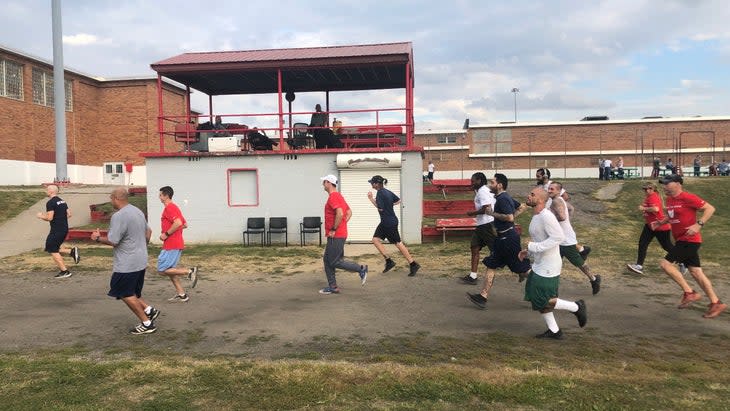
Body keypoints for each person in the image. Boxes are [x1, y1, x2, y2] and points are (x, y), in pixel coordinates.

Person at [652, 174, 726, 319]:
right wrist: (661, 222)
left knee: (665, 264)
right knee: (696, 272)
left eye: (667, 183)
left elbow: (710, 209)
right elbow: (672, 216)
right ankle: (716, 302)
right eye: (663, 184)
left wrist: (699, 224)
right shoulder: (670, 199)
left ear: (678, 184)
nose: (664, 186)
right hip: (681, 240)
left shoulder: (688, 197)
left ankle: (689, 293)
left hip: (690, 240)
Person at [519, 187, 587, 339]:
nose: (528, 196)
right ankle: (555, 331)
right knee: (535, 296)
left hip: (549, 265)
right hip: (539, 263)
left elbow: (558, 237)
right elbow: (540, 239)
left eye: (532, 194)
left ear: (541, 200)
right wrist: (528, 252)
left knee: (542, 299)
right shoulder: (536, 216)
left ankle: (576, 307)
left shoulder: (546, 216)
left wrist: (533, 247)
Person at [90, 188, 160, 335]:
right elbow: (149, 232)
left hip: (127, 263)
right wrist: (140, 246)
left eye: (111, 198)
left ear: (116, 198)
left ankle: (147, 324)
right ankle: (149, 310)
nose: (110, 201)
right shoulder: (137, 211)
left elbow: (113, 241)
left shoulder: (119, 216)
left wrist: (97, 238)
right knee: (132, 291)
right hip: (140, 259)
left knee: (124, 292)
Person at [466, 173, 530, 309]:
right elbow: (521, 207)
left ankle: (544, 289)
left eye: (492, 182)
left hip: (509, 240)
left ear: (500, 185)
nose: (490, 184)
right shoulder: (501, 197)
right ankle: (483, 296)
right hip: (502, 238)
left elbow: (509, 218)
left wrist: (492, 214)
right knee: (491, 264)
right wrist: (511, 218)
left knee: (522, 269)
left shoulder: (503, 199)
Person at [547, 182, 601, 295]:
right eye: (549, 188)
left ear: (558, 191)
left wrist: (549, 219)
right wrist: (567, 223)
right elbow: (571, 209)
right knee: (554, 264)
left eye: (552, 189)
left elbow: (562, 217)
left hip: (565, 240)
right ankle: (552, 290)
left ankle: (594, 279)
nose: (549, 190)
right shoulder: (560, 200)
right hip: (559, 239)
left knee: (578, 263)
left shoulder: (557, 201)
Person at [318, 174, 368, 294]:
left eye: (324, 182)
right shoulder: (339, 196)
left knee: (334, 261)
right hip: (339, 234)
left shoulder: (333, 197)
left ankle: (361, 269)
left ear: (329, 183)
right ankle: (333, 287)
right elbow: (349, 212)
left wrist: (335, 229)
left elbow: (340, 214)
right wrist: (342, 225)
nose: (322, 184)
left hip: (336, 235)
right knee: (327, 259)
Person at [367, 175, 420, 276]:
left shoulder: (380, 194)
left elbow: (380, 208)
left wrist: (371, 199)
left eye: (372, 183)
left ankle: (413, 264)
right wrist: (389, 205)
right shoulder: (387, 192)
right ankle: (389, 261)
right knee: (375, 240)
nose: (371, 184)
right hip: (387, 222)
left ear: (376, 184)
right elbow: (398, 201)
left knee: (398, 243)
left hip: (388, 223)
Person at [156, 186, 198, 302]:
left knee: (162, 270)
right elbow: (184, 224)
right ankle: (182, 295)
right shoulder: (175, 208)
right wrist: (174, 231)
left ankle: (189, 271)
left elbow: (179, 222)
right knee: (170, 270)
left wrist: (166, 234)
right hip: (175, 243)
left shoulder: (170, 208)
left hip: (172, 244)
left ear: (166, 196)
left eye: (160, 195)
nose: (159, 197)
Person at [626, 182, 674, 275]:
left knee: (667, 246)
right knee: (642, 243)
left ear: (653, 189)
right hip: (650, 226)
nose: (646, 191)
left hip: (660, 226)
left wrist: (643, 208)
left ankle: (683, 260)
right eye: (644, 189)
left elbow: (655, 209)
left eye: (648, 189)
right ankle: (639, 265)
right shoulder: (649, 196)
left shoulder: (653, 196)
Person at [36, 184, 79, 278]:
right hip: (63, 228)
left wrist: (40, 216)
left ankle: (65, 271)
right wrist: (60, 219)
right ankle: (71, 251)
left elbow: (49, 218)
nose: (45, 191)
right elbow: (69, 214)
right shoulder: (62, 201)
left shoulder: (50, 202)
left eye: (47, 190)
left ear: (51, 191)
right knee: (52, 247)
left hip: (56, 230)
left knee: (52, 249)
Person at [461, 172, 496, 285]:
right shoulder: (481, 191)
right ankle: (473, 276)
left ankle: (520, 269)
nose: (471, 183)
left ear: (479, 181)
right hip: (481, 225)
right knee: (474, 247)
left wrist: (472, 213)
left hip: (488, 225)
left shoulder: (483, 192)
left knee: (496, 251)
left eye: (473, 181)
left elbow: (487, 208)